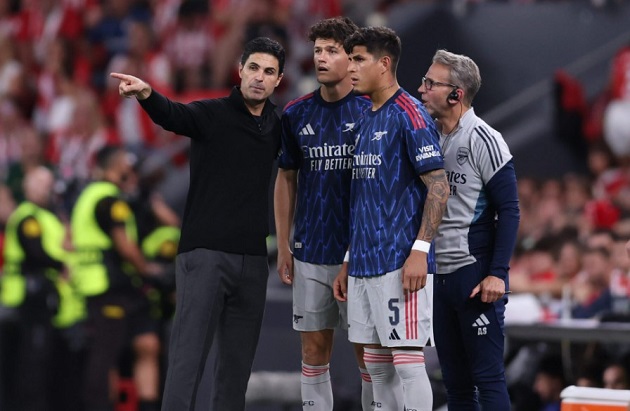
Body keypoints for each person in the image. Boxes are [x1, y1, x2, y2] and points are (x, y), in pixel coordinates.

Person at [110, 36, 285, 411]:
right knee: (187, 361)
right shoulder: (213, 113)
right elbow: (173, 115)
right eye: (254, 68)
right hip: (205, 256)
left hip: (254, 261)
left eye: (269, 71)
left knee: (236, 370)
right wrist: (146, 94)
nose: (259, 77)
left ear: (278, 80)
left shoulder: (277, 126)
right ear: (240, 70)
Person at [334, 26, 449, 411]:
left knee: (408, 363)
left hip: (400, 262)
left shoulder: (410, 114)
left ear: (384, 64)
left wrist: (420, 250)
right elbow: (364, 198)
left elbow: (439, 186)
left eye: (358, 59)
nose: (350, 68)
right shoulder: (365, 118)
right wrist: (348, 258)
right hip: (364, 262)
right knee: (376, 366)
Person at [274, 17, 373, 411]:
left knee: (368, 353)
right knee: (313, 351)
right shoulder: (296, 114)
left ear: (352, 58)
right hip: (310, 250)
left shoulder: (371, 111)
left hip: (361, 255)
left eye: (332, 50)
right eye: (317, 50)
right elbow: (286, 178)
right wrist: (284, 244)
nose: (321, 58)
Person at [417, 49, 520, 410]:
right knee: (456, 385)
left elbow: (510, 209)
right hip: (437, 276)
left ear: (456, 94)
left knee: (488, 380)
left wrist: (497, 274)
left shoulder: (484, 139)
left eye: (431, 83)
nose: (421, 89)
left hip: (473, 276)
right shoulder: (427, 136)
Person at [71, 145, 163, 411]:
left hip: (109, 286)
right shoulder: (109, 200)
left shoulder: (89, 195)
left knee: (142, 345)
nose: (130, 170)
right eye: (126, 165)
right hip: (109, 286)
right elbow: (124, 246)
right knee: (106, 356)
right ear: (116, 167)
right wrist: (149, 270)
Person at [1, 166, 84, 411]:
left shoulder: (50, 216)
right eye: (38, 183)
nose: (44, 189)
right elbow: (36, 252)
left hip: (48, 296)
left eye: (47, 184)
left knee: (42, 360)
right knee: (31, 360)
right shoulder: (28, 217)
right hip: (27, 297)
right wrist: (62, 265)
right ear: (26, 186)